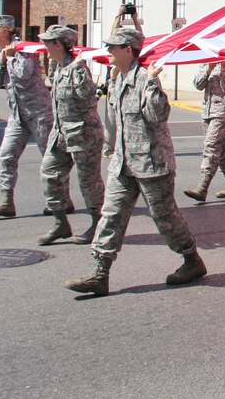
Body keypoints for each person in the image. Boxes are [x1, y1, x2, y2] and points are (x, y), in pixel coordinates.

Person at [65, 27, 206, 296]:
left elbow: (158, 114)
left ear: (128, 50)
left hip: (152, 165)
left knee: (166, 218)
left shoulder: (144, 78)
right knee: (111, 215)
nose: (109, 51)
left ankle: (191, 259)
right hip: (123, 164)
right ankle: (100, 272)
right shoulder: (118, 79)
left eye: (114, 47)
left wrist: (153, 83)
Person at [37, 25, 105, 245]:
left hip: (84, 134)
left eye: (48, 42)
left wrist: (78, 72)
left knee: (88, 182)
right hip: (61, 133)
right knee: (49, 173)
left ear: (58, 44)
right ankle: (60, 224)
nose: (45, 46)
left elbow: (89, 98)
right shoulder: (58, 67)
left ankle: (98, 224)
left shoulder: (77, 69)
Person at [0, 15, 54, 218]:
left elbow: (23, 74)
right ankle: (6, 202)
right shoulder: (0, 54)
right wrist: (2, 60)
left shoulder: (24, 50)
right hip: (17, 115)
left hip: (39, 113)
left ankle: (58, 201)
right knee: (6, 156)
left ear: (5, 30)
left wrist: (12, 57)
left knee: (50, 159)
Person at [183, 61, 225, 202]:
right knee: (220, 151)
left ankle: (202, 188)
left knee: (211, 147)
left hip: (222, 111)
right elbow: (198, 84)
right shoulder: (206, 62)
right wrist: (208, 68)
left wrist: (222, 68)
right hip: (207, 112)